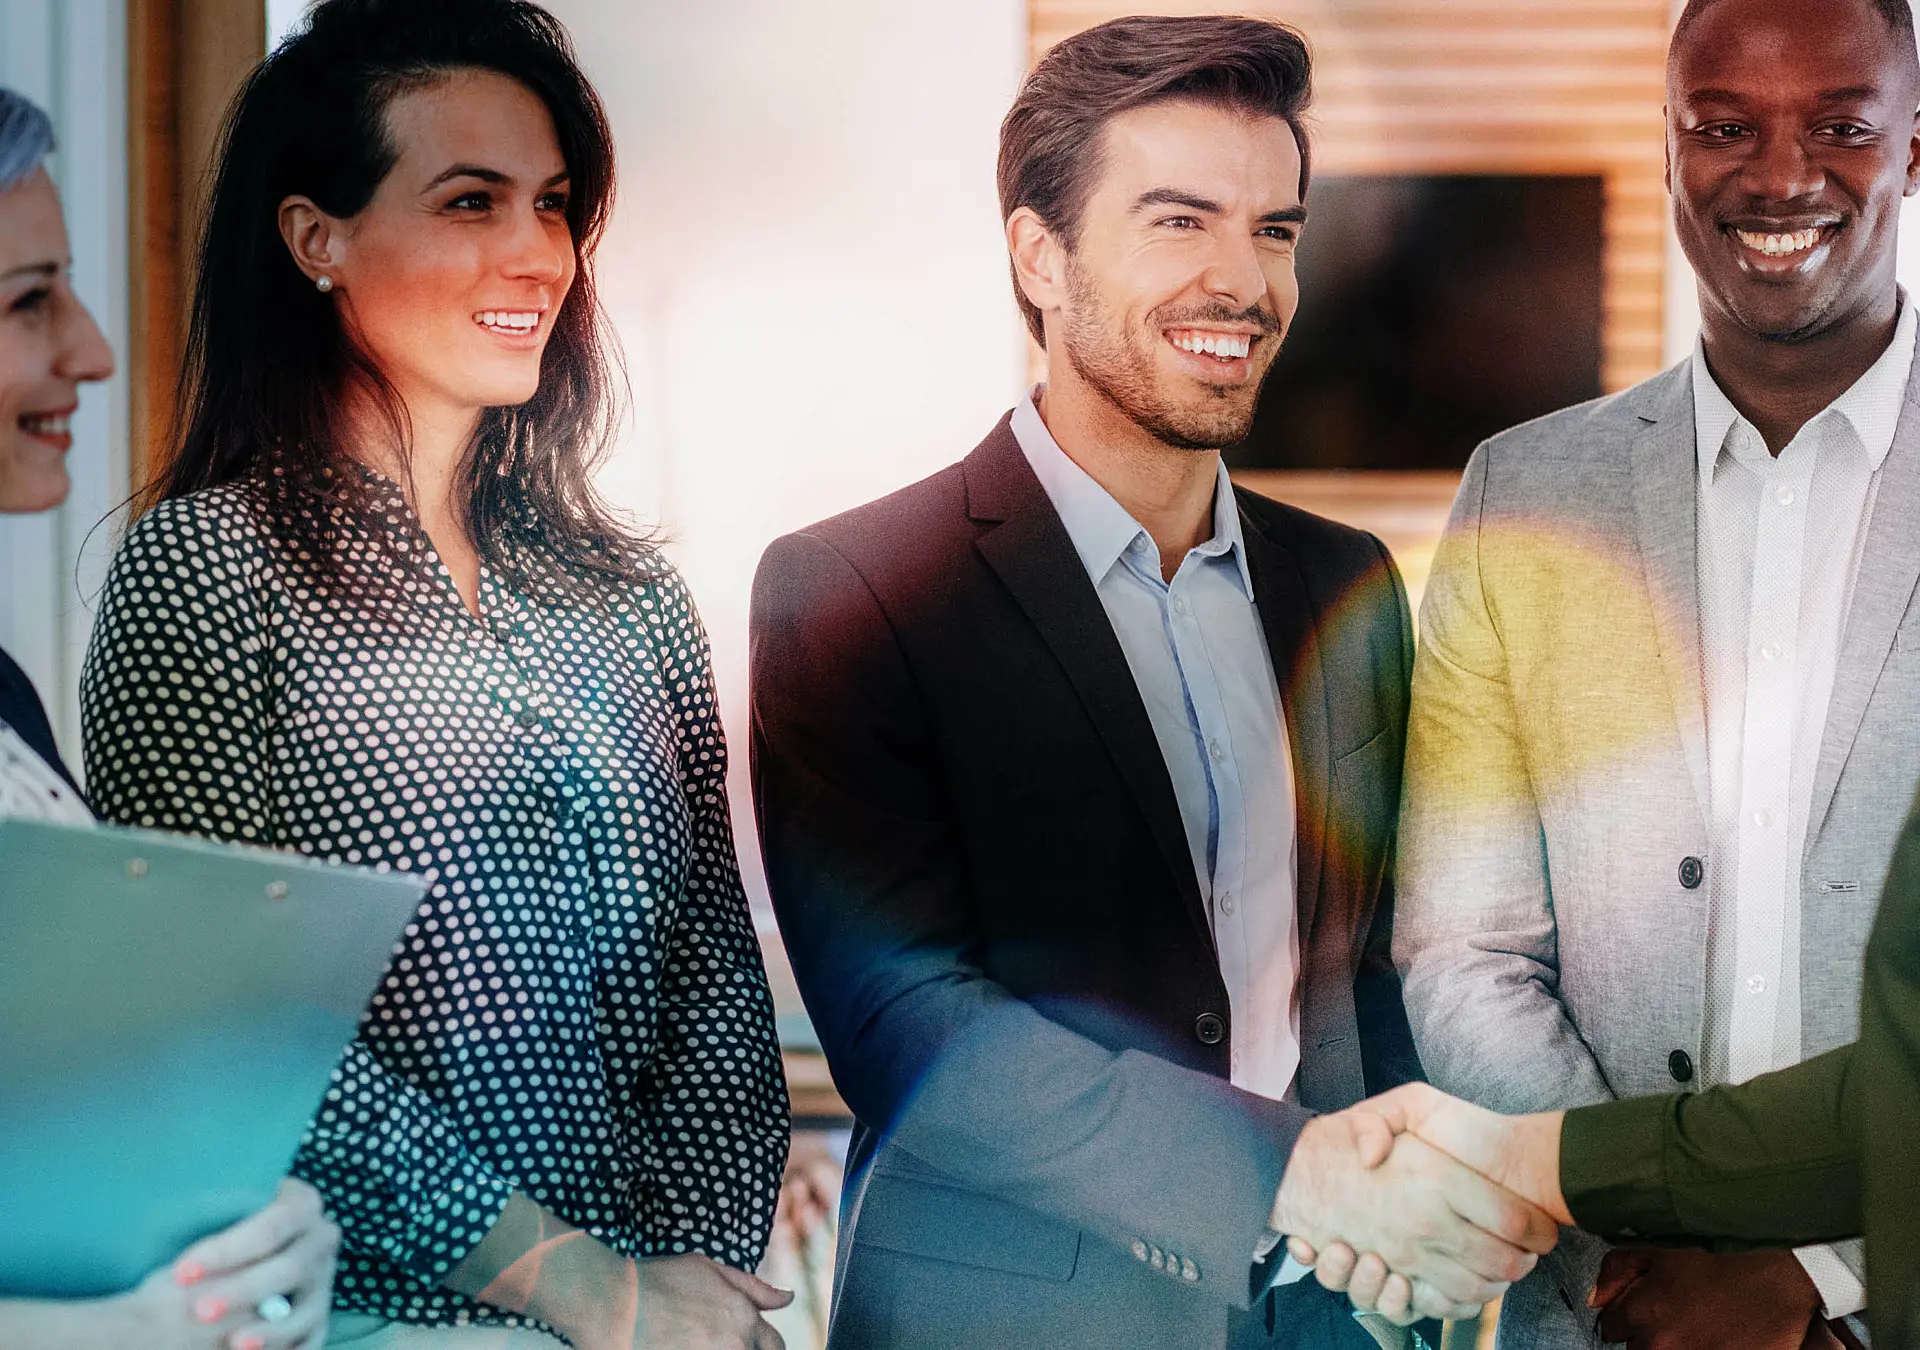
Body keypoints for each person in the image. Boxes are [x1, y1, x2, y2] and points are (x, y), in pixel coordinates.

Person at [747, 17, 1557, 1350]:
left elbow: (1373, 968)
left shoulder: (1348, 583)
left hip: (1331, 1318)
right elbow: (910, 1025)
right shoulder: (855, 589)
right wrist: (1286, 1174)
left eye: (1275, 230)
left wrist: (1414, 1228)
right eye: (1179, 221)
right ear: (1039, 255)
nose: (1244, 281)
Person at [77, 4, 790, 1347]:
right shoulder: (204, 569)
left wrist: (682, 1282)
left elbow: (710, 982)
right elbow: (225, 1019)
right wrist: (579, 1284)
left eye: (554, 204)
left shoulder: (633, 598)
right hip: (358, 1316)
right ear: (316, 239)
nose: (538, 253)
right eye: (471, 201)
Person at [1389, 0, 1920, 1342]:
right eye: (1725, 128)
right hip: (1611, 1306)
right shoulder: (1520, 492)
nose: (1783, 177)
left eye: (1842, 127)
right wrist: (1644, 1241)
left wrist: (1819, 1273)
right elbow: (1463, 948)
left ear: (1914, 148)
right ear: (1669, 148)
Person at [0, 85, 342, 1350]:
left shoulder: (5, 700)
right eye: (29, 302)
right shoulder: (198, 569)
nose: (91, 350)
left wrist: (243, 1227)